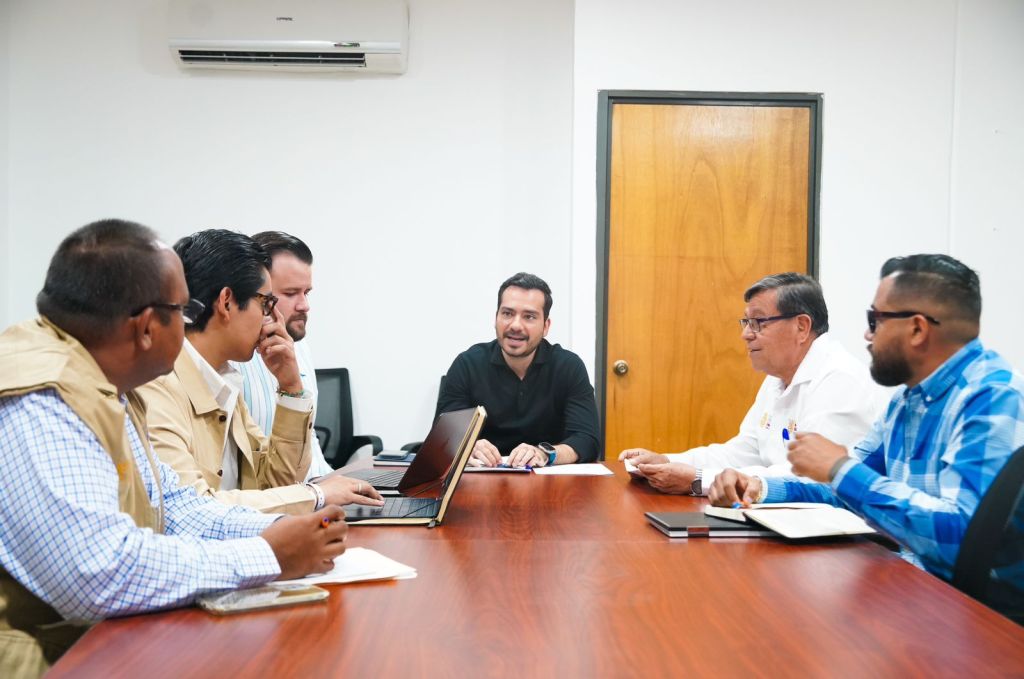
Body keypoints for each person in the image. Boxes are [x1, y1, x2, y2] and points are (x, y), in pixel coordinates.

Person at [0, 219, 348, 677]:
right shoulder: (45, 398)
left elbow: (175, 507)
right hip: (44, 658)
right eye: (183, 312)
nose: (190, 329)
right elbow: (97, 573)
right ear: (147, 327)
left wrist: (283, 531)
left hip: (93, 642)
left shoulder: (107, 385)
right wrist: (267, 555)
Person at [709, 254, 1024, 582]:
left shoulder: (992, 396)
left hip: (966, 602)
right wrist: (760, 488)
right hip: (908, 580)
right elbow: (841, 489)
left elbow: (963, 539)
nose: (866, 335)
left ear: (917, 329)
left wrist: (840, 468)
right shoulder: (906, 399)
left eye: (875, 321)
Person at [138, 229, 382, 515]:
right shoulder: (155, 386)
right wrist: (316, 494)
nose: (270, 318)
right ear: (226, 302)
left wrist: (291, 388)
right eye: (266, 303)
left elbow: (277, 483)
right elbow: (190, 510)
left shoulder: (222, 379)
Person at [618, 273, 883, 495]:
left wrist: (698, 480)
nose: (745, 334)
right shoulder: (778, 377)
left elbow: (813, 478)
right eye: (746, 322)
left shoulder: (840, 380)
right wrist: (667, 460)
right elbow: (743, 451)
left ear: (802, 327)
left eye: (758, 322)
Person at [437, 272, 600, 468]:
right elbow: (442, 439)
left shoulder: (568, 367)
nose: (515, 325)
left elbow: (587, 440)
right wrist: (466, 447)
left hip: (547, 479)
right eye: (507, 313)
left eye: (529, 317)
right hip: (483, 476)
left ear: (546, 326)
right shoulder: (467, 364)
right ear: (496, 318)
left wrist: (545, 453)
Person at [235, 231, 332, 479]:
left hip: (313, 486)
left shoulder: (299, 345)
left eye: (306, 292)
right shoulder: (232, 357)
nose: (304, 305)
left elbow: (309, 437)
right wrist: (318, 493)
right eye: (290, 293)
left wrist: (333, 482)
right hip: (274, 495)